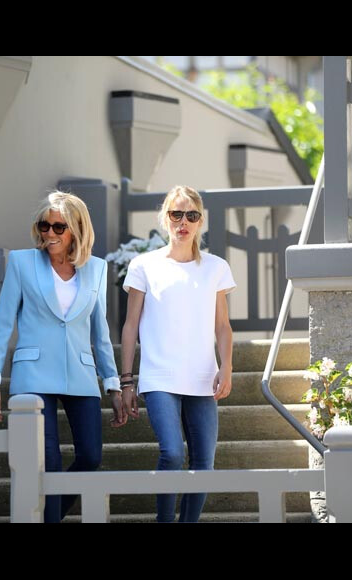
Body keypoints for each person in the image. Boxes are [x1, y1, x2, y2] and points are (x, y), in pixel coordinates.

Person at [0, 191, 124, 523]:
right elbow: (3, 323)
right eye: (44, 226)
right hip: (34, 375)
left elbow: (99, 333)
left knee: (90, 456)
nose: (49, 234)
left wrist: (113, 384)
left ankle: (50, 515)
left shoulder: (96, 270)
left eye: (59, 227)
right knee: (50, 462)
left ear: (76, 229)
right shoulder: (22, 262)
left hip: (81, 373)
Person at [120, 185, 236, 524]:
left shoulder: (215, 267)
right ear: (164, 218)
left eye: (191, 215)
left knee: (204, 463)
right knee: (171, 453)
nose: (183, 222)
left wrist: (226, 367)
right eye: (176, 214)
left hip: (203, 377)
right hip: (159, 377)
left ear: (200, 222)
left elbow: (223, 327)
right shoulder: (144, 265)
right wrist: (127, 381)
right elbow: (130, 326)